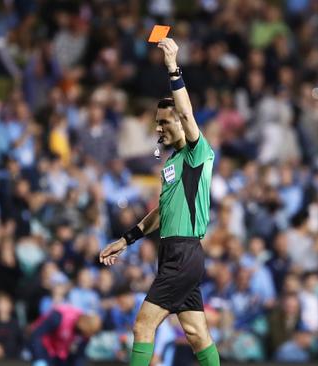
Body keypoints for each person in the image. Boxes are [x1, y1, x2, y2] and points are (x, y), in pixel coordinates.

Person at [99, 38, 220, 366]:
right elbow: (161, 211)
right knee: (196, 334)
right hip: (176, 254)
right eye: (157, 121)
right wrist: (127, 239)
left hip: (183, 253)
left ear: (182, 123)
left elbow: (185, 109)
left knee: (143, 325)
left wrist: (172, 67)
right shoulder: (171, 162)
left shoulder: (196, 153)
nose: (158, 127)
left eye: (165, 121)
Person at [29, 304, 102, 366]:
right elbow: (36, 336)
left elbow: (79, 355)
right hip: (45, 349)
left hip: (62, 354)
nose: (86, 336)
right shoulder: (58, 317)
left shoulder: (86, 334)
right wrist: (39, 358)